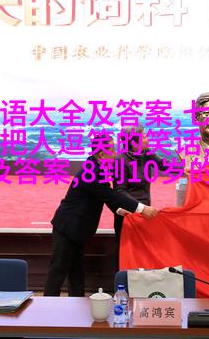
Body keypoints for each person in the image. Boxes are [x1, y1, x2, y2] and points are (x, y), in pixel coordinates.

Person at [44, 133, 159, 297]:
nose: (115, 153)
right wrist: (141, 208)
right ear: (101, 154)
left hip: (78, 229)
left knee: (76, 270)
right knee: (58, 270)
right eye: (111, 150)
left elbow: (105, 195)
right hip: (68, 227)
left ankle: (76, 303)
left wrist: (119, 210)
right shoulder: (90, 171)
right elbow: (111, 195)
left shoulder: (97, 166)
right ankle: (47, 306)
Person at [113, 124, 169, 243]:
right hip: (129, 214)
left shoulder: (146, 152)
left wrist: (185, 167)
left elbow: (163, 164)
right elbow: (120, 191)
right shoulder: (120, 160)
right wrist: (140, 208)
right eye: (144, 137)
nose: (147, 139)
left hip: (145, 212)